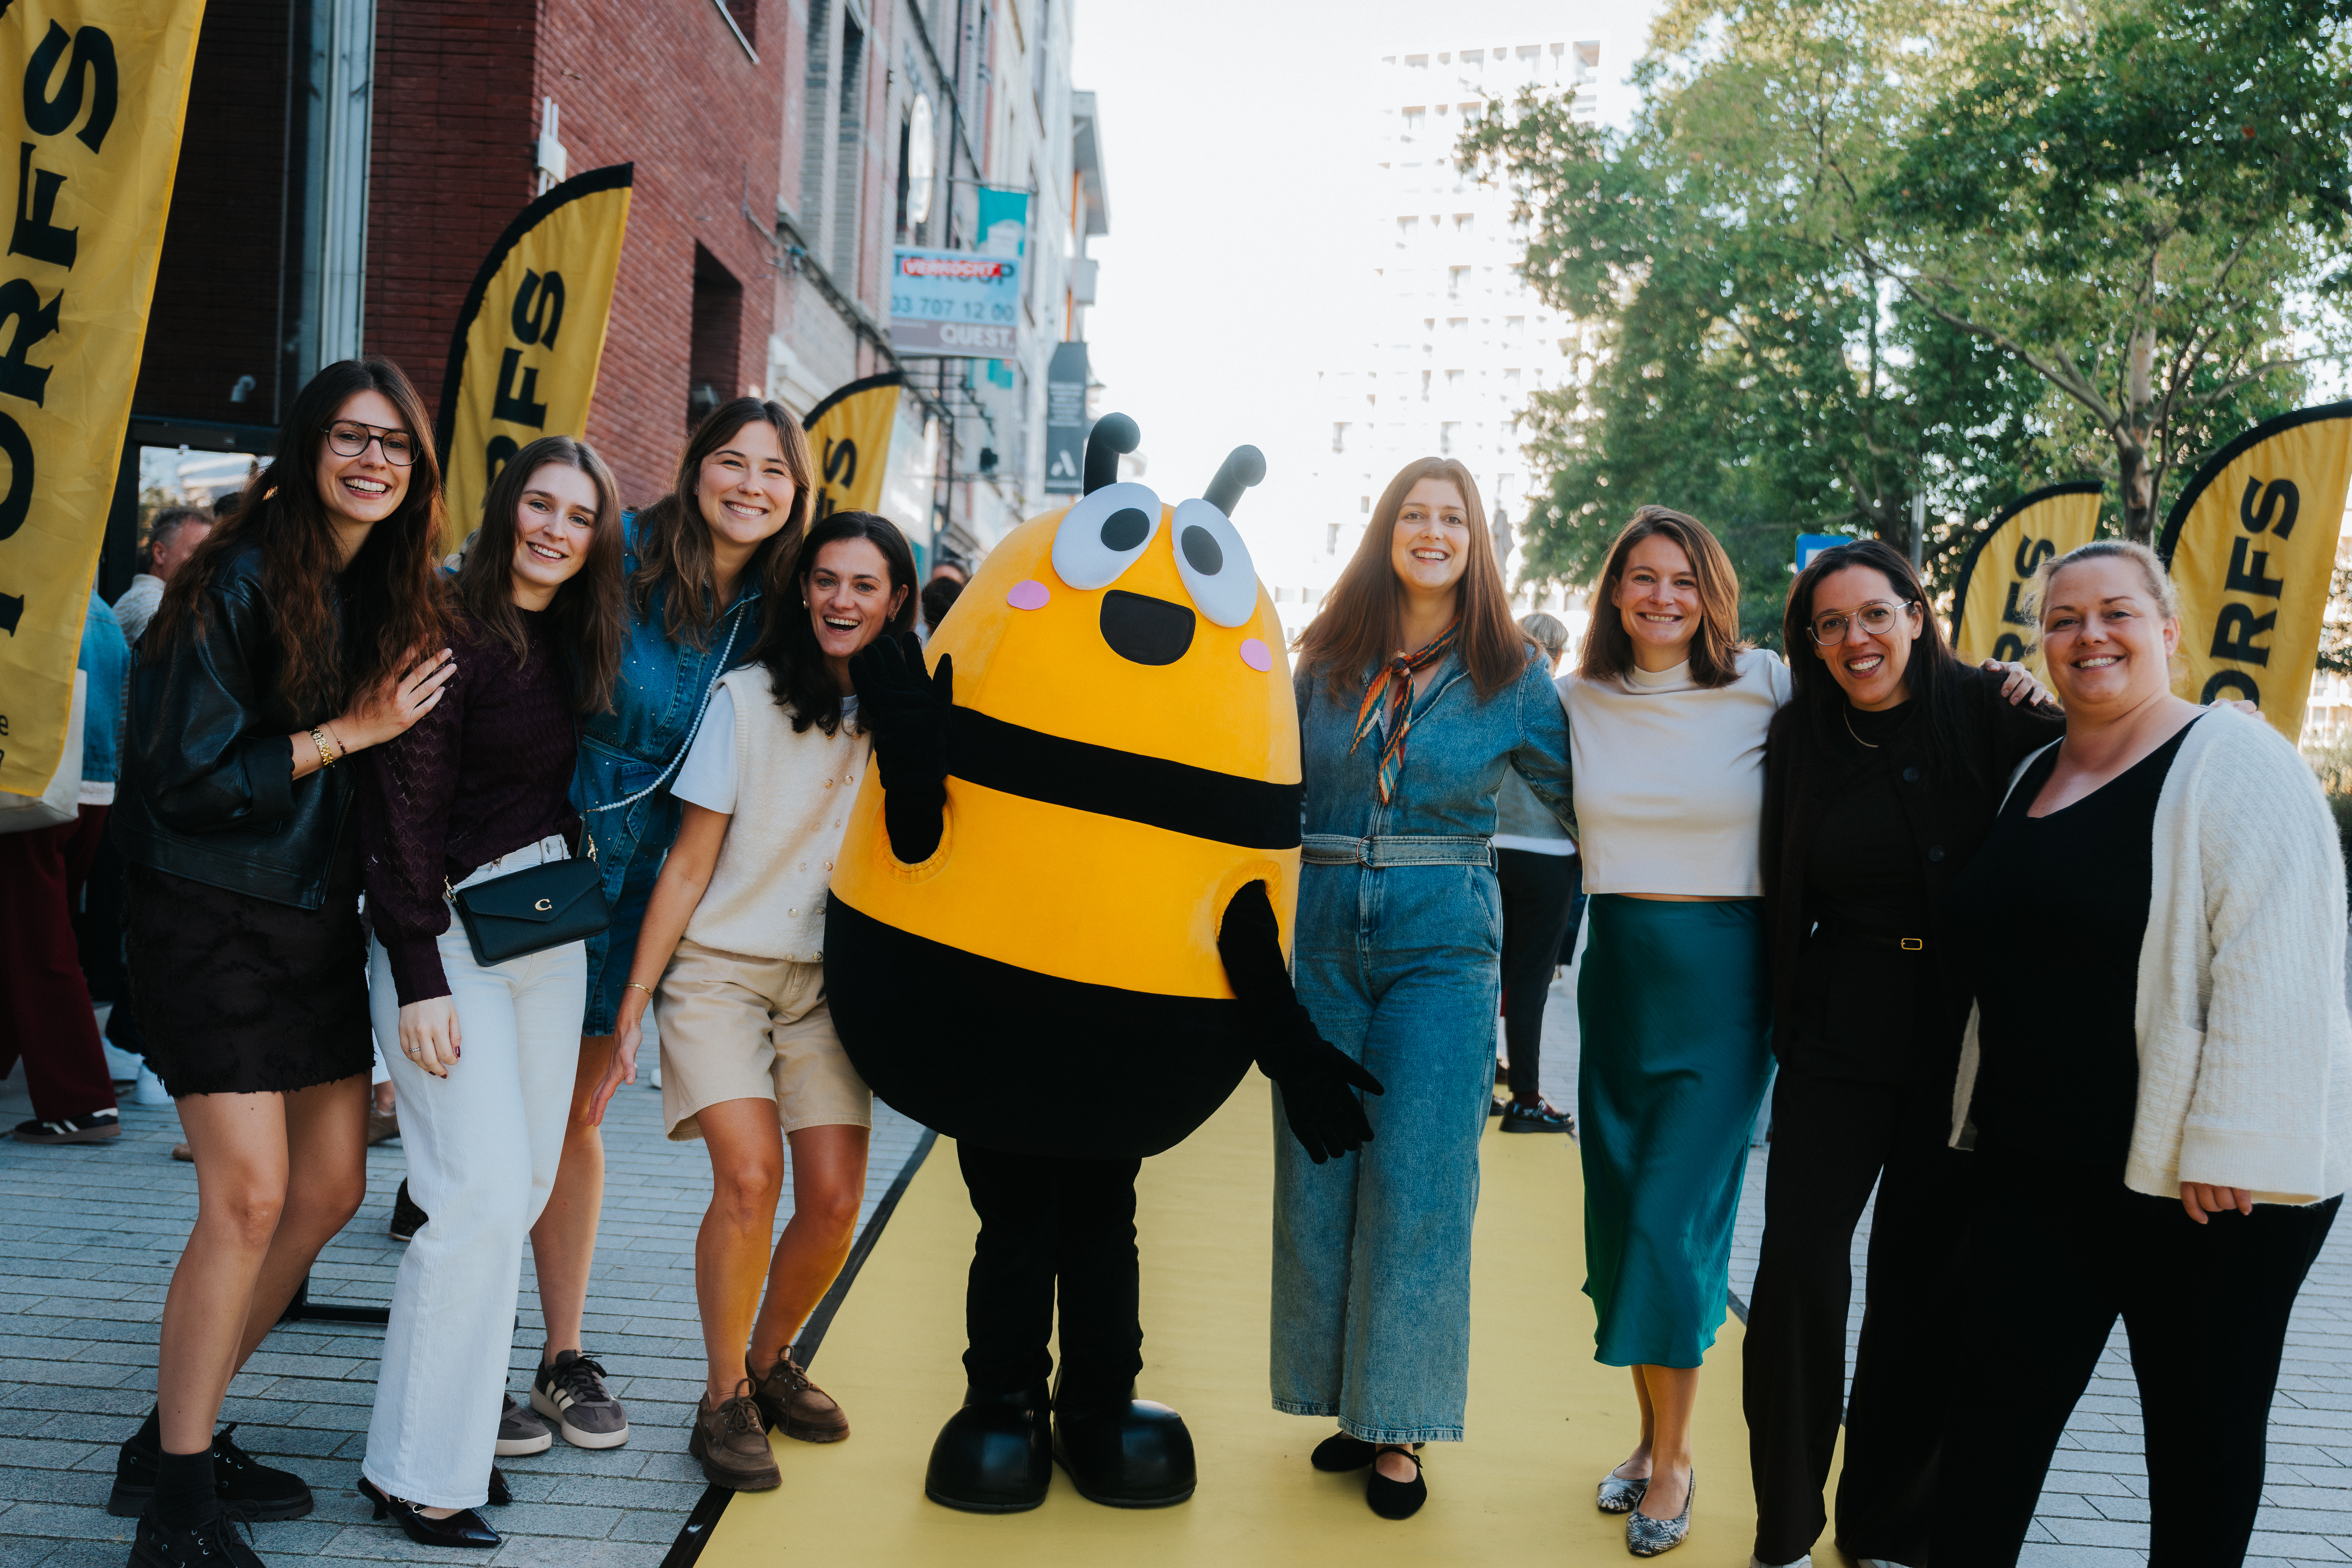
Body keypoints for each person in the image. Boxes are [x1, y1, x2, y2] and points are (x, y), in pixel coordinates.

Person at [1935, 541, 2352, 1565]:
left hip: (2204, 1187)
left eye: (2115, 612)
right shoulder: (2037, 766)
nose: (2090, 635)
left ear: (2167, 630)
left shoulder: (2235, 759)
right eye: (2065, 617)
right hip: (2041, 1167)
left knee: (2199, 1443)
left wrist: (2236, 1145)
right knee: (1990, 1428)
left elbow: (2281, 960)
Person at [106, 357, 454, 1568]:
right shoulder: (235, 580)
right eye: (350, 438)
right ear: (306, 451)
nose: (372, 460)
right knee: (248, 1196)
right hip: (206, 911)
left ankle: (172, 1437)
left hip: (310, 915)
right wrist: (348, 732)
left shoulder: (382, 592)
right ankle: (177, 1509)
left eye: (394, 444)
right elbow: (188, 779)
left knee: (330, 1192)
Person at [1746, 539, 2059, 1568]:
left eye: (1874, 614)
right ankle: (1786, 1521)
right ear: (1811, 642)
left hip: (1965, 1043)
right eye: (1830, 624)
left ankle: (1885, 1522)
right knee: (1796, 1263)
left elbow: (2119, 745)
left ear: (1917, 614)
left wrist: (2226, 724)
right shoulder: (1797, 735)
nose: (1855, 638)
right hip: (1839, 1028)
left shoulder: (1993, 709)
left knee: (1922, 1287)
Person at [588, 510, 912, 1490]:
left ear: (897, 600)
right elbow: (688, 867)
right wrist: (632, 1004)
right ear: (801, 591)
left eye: (864, 585)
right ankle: (721, 1395)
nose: (841, 600)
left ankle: (771, 1362)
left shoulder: (906, 716)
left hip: (828, 983)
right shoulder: (746, 699)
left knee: (834, 1202)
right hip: (721, 968)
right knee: (748, 1179)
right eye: (825, 581)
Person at [1278, 455, 1574, 1521]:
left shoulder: (1512, 672)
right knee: (1324, 1175)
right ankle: (1346, 1401)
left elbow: (1588, 791)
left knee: (1421, 1182)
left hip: (1441, 937)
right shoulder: (1324, 655)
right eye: (1415, 513)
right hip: (1317, 933)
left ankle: (1400, 1425)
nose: (1433, 530)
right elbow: (1259, 780)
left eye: (1452, 517)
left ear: (1475, 539)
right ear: (1386, 530)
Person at [353, 436, 625, 1546]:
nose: (555, 529)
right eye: (542, 505)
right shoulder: (445, 626)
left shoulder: (574, 637)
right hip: (447, 936)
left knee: (512, 1194)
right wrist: (415, 975)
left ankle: (430, 1445)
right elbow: (399, 817)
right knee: (471, 1195)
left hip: (543, 933)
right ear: (510, 507)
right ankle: (427, 1473)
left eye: (579, 515)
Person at [529, 398, 807, 1453]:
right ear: (695, 470)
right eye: (731, 461)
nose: (750, 484)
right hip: (547, 857)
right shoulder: (621, 551)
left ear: (797, 492)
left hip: (662, 888)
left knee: (579, 1114)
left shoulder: (778, 607)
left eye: (774, 470)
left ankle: (561, 1354)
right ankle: (454, 1328)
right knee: (506, 1118)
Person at [1562, 505, 1785, 1556]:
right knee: (1622, 1225)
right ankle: (1651, 1440)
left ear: (1712, 595)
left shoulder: (1768, 683)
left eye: (1683, 581)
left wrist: (2006, 686)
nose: (1662, 597)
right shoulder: (1574, 700)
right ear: (1614, 592)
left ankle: (1679, 1460)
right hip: (1617, 981)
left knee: (1668, 1225)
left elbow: (1901, 698)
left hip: (1728, 988)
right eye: (1643, 578)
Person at [1, 588, 132, 1143]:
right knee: (30, 939)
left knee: (39, 945)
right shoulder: (100, 611)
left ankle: (82, 1103)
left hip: (29, 791)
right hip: (90, 792)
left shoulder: (28, 591)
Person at [1489, 609, 1583, 1133]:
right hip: (1547, 856)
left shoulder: (1489, 694)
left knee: (1482, 974)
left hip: (1490, 850)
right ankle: (1525, 1097)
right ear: (1560, 652)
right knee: (1529, 983)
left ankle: (1479, 1087)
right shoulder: (1562, 700)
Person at [115, 506, 215, 644]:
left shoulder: (158, 600)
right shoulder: (150, 601)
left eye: (211, 554)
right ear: (160, 553)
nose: (207, 562)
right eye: (197, 552)